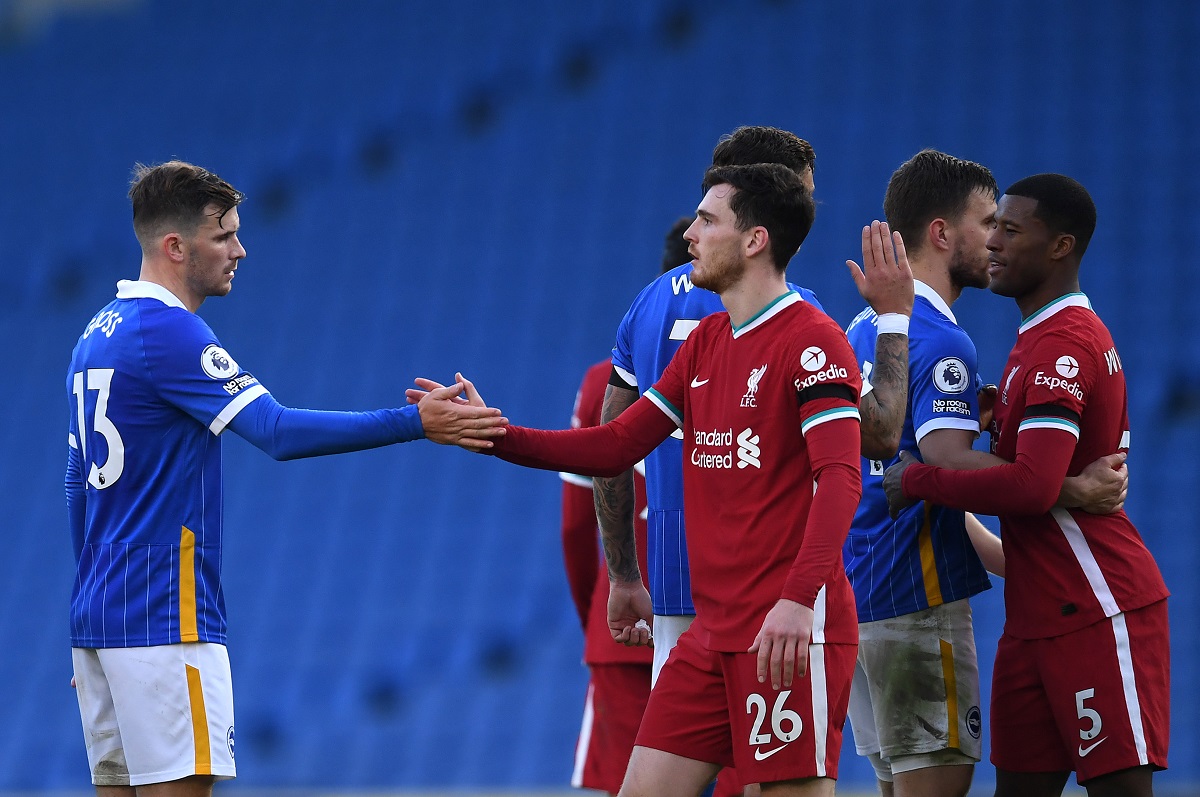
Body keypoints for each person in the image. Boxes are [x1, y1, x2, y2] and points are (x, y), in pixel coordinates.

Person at [64, 161, 505, 796]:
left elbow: (76, 483)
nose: (239, 250)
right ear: (175, 246)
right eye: (223, 236)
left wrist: (92, 619)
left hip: (102, 619)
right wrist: (414, 422)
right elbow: (275, 431)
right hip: (165, 616)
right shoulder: (167, 331)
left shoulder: (95, 334)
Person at [425, 162, 864, 796]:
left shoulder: (814, 343)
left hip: (786, 632)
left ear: (754, 239)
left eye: (707, 220)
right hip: (710, 634)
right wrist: (492, 433)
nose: (690, 234)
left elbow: (841, 478)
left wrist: (798, 602)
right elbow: (615, 446)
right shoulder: (706, 341)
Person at [593, 124, 912, 797]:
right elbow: (878, 435)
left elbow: (611, 445)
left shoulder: (646, 304)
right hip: (765, 590)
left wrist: (623, 572)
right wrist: (893, 320)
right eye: (803, 193)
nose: (807, 212)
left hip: (678, 585)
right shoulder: (791, 318)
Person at [843, 152, 1129, 797]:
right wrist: (1067, 487)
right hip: (916, 600)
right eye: (987, 222)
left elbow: (916, 479)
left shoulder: (865, 329)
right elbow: (943, 465)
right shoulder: (943, 341)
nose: (996, 239)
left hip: (860, 600)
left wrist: (1018, 559)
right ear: (942, 234)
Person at [561, 358, 653, 795]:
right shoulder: (750, 362)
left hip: (629, 639)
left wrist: (599, 623)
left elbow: (575, 526)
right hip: (733, 625)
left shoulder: (605, 380)